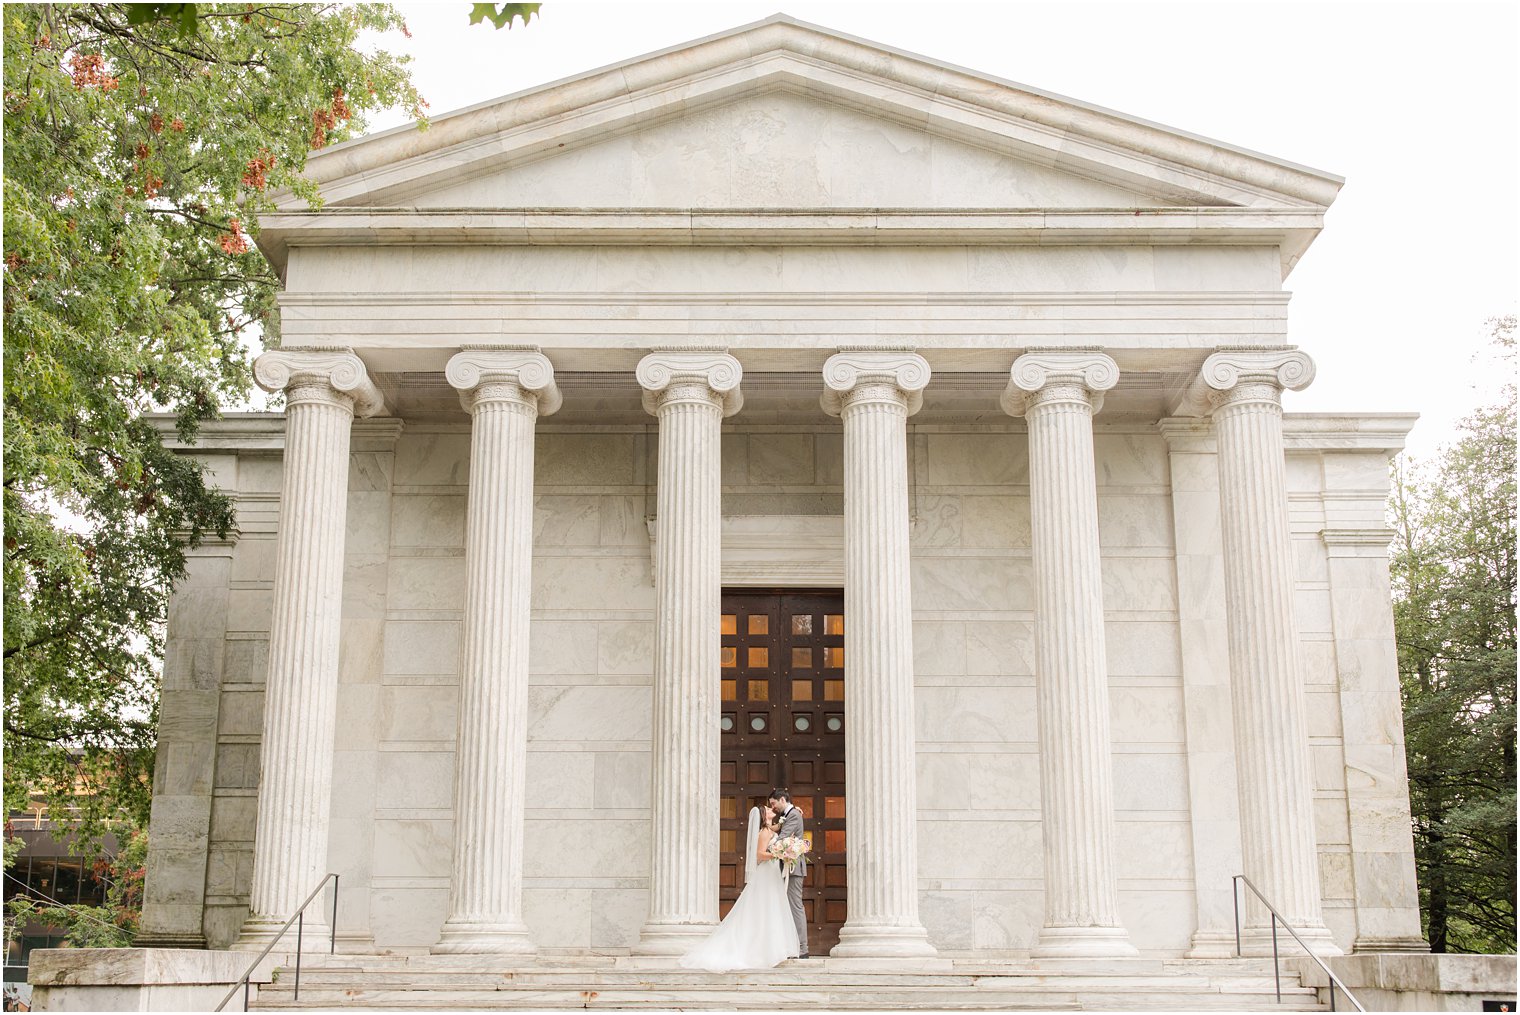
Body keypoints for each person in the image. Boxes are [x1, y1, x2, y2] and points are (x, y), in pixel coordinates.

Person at [678, 805, 799, 971]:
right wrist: (779, 854)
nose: (771, 809)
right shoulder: (764, 832)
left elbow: (782, 825)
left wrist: (795, 813)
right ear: (764, 816)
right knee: (765, 907)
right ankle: (762, 952)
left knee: (770, 908)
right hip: (766, 872)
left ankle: (771, 950)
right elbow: (759, 855)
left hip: (772, 873)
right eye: (768, 809)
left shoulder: (770, 829)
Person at [768, 788, 809, 958]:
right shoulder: (788, 814)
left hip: (793, 867)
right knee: (786, 907)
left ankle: (802, 947)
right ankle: (790, 944)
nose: (773, 807)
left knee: (795, 906)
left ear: (782, 799)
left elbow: (782, 839)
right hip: (784, 866)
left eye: (773, 803)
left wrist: (765, 844)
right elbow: (777, 830)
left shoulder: (793, 815)